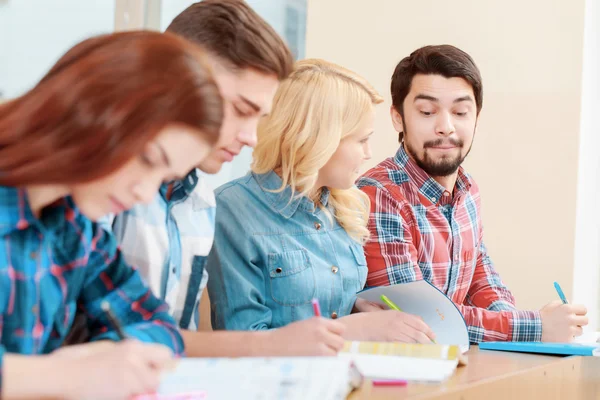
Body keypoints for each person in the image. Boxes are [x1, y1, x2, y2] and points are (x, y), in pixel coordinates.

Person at [105, 0, 346, 356]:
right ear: (179, 81)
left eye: (259, 118)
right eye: (240, 110)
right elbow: (106, 343)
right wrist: (270, 344)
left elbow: (164, 340)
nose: (250, 137)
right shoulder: (103, 189)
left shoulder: (201, 199)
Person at [0, 31, 223, 399]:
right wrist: (64, 374)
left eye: (164, 179)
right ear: (91, 111)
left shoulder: (76, 226)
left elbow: (157, 324)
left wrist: (109, 358)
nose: (144, 193)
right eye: (148, 159)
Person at [357, 44, 588, 343]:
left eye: (460, 111)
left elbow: (481, 278)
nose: (446, 127)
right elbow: (419, 319)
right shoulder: (380, 195)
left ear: (476, 116)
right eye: (427, 111)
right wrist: (534, 327)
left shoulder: (467, 189)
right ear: (398, 118)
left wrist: (518, 324)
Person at [206, 59, 437, 344]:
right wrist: (354, 329)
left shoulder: (346, 207)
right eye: (361, 140)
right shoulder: (233, 210)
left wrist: (357, 310)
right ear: (320, 140)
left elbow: (321, 306)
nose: (368, 153)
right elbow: (241, 339)